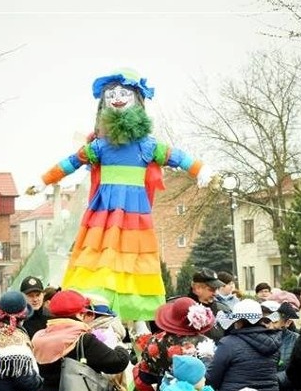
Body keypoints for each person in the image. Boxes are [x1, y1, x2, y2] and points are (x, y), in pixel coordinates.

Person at [41, 69, 213, 321]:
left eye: (124, 93)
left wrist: (201, 170)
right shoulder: (100, 146)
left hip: (134, 211)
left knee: (135, 258)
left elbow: (177, 156)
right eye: (111, 94)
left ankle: (138, 316)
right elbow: (72, 161)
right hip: (104, 210)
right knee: (102, 255)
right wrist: (47, 179)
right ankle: (100, 307)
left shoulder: (147, 145)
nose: (117, 98)